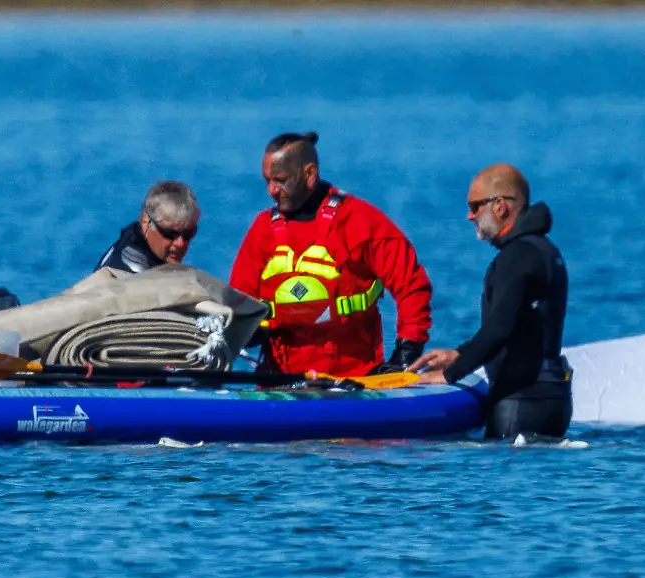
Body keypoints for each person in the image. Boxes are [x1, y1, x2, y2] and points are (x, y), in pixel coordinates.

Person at [229, 131, 432, 379]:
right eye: (267, 181)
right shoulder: (262, 229)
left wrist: (406, 354)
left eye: (280, 180)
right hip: (279, 380)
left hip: (353, 380)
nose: (271, 190)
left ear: (309, 175)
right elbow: (238, 301)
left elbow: (412, 286)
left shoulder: (360, 221)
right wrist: (247, 331)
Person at [412, 165, 571, 440]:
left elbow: (499, 331)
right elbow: (519, 329)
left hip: (520, 401)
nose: (469, 216)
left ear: (499, 206)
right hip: (553, 397)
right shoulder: (544, 249)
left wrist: (451, 374)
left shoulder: (518, 256)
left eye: (475, 206)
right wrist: (460, 354)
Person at [96, 182, 200, 273]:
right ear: (145, 222)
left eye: (188, 234)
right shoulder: (131, 270)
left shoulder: (133, 234)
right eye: (170, 234)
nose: (180, 243)